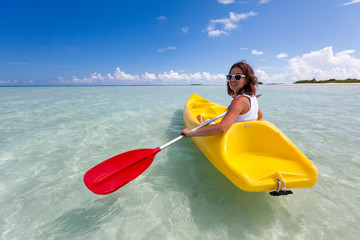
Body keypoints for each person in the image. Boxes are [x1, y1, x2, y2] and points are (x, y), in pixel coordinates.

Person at [180, 60, 263, 137]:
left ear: (247, 80)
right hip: (241, 135)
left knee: (209, 121)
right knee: (211, 121)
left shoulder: (239, 101)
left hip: (231, 137)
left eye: (237, 77)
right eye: (230, 76)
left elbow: (222, 128)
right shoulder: (252, 98)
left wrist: (190, 133)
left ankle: (202, 122)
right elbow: (259, 116)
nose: (232, 80)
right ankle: (203, 122)